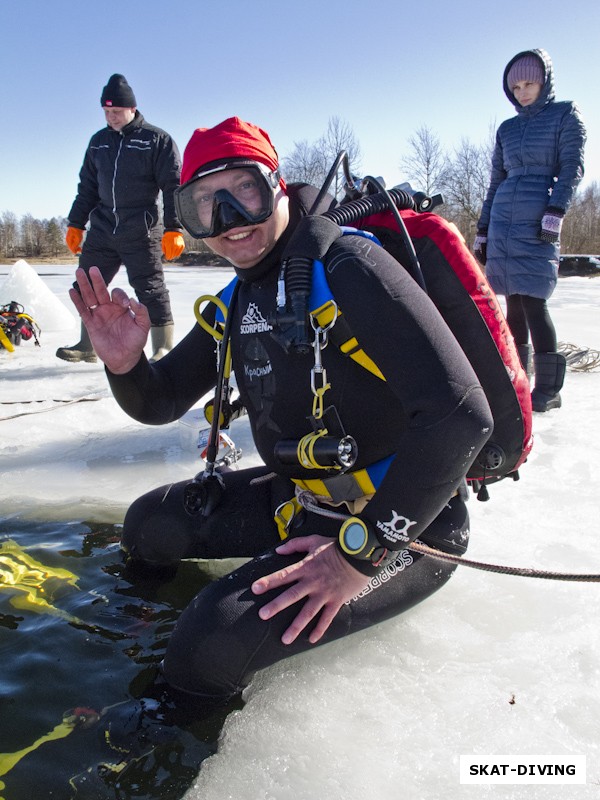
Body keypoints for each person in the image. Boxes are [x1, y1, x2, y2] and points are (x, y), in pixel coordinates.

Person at [69, 116, 493, 707]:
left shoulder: (348, 269)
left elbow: (461, 415)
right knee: (147, 526)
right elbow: (161, 398)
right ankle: (135, 639)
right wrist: (125, 364)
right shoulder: (242, 295)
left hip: (406, 526)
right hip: (303, 497)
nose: (229, 221)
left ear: (277, 184)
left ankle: (167, 726)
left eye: (243, 189)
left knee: (205, 650)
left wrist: (358, 558)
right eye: (203, 205)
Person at [474, 49, 586, 412]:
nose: (523, 91)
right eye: (516, 86)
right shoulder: (507, 129)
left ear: (544, 83)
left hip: (538, 215)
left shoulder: (564, 115)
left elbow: (572, 168)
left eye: (530, 83)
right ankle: (517, 382)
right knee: (513, 307)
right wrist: (484, 230)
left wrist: (555, 213)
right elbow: (495, 182)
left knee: (535, 302)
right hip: (505, 217)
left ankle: (549, 391)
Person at [57, 74, 185, 364]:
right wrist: (76, 223)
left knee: (150, 288)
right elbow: (87, 188)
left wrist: (174, 228)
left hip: (140, 229)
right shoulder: (98, 142)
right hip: (103, 229)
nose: (111, 117)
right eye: (106, 112)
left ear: (132, 108)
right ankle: (87, 345)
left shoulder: (157, 140)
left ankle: (162, 347)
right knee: (87, 285)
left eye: (116, 111)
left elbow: (173, 186)